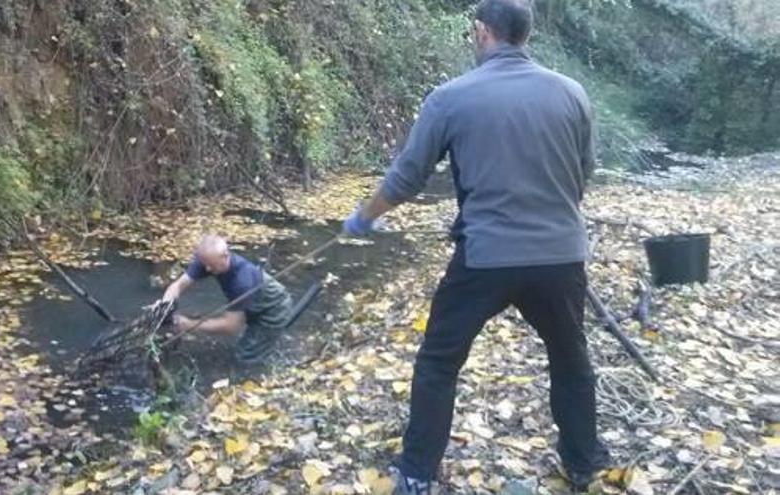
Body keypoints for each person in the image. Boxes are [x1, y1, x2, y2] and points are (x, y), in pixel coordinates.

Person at [342, 0, 609, 492]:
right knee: (571, 358)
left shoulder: (451, 97)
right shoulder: (572, 93)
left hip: (486, 256)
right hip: (561, 255)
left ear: (483, 33)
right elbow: (583, 174)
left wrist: (365, 216)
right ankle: (584, 464)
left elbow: (408, 176)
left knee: (439, 361)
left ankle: (418, 473)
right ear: (524, 36)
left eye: (474, 32)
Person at [160, 234, 293, 363]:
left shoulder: (241, 281)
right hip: (252, 300)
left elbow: (230, 327)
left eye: (211, 265)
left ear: (225, 256)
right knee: (249, 336)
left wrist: (188, 324)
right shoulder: (208, 260)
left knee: (245, 356)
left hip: (273, 308)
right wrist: (164, 306)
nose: (207, 269)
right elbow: (179, 285)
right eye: (205, 264)